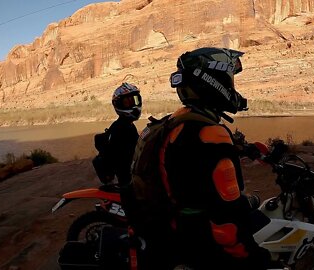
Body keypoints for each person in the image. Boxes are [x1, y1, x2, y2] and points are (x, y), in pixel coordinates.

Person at [133, 48, 271, 269]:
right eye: (229, 78)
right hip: (201, 243)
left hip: (173, 231)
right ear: (214, 81)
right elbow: (226, 219)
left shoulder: (177, 120)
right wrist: (253, 257)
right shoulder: (210, 134)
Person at [92, 82, 141, 215]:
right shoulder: (121, 128)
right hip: (129, 181)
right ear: (119, 105)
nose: (133, 105)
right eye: (128, 102)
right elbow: (125, 157)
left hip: (131, 176)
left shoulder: (126, 124)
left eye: (135, 100)